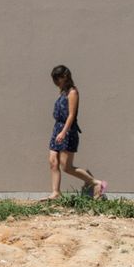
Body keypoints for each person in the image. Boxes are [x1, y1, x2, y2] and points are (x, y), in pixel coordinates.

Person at [46, 65, 106, 200]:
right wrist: (58, 131)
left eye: (57, 79)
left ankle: (96, 183)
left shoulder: (73, 92)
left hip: (67, 131)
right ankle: (56, 192)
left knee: (66, 167)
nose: (55, 82)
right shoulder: (62, 92)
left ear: (64, 77)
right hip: (57, 128)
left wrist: (63, 132)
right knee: (52, 161)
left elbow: (71, 115)